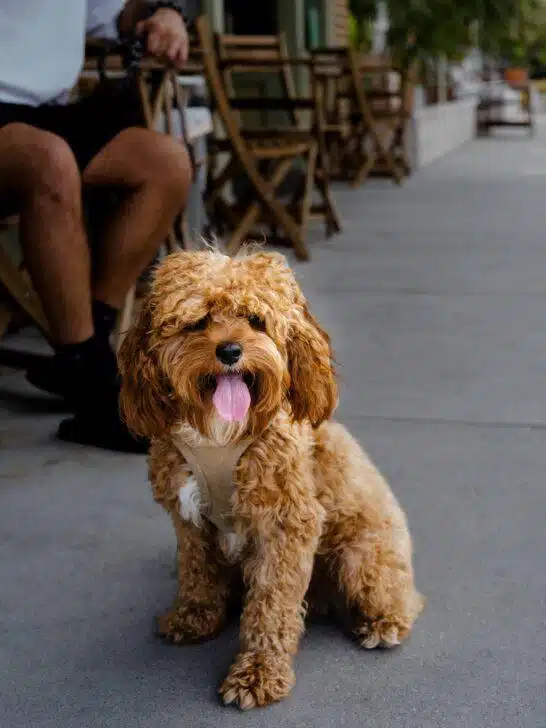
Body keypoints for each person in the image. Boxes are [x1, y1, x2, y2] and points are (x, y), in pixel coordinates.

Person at [0, 1, 194, 452]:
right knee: (50, 162)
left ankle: (87, 352)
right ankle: (92, 391)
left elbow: (117, 15)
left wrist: (164, 13)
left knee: (166, 163)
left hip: (46, 113)